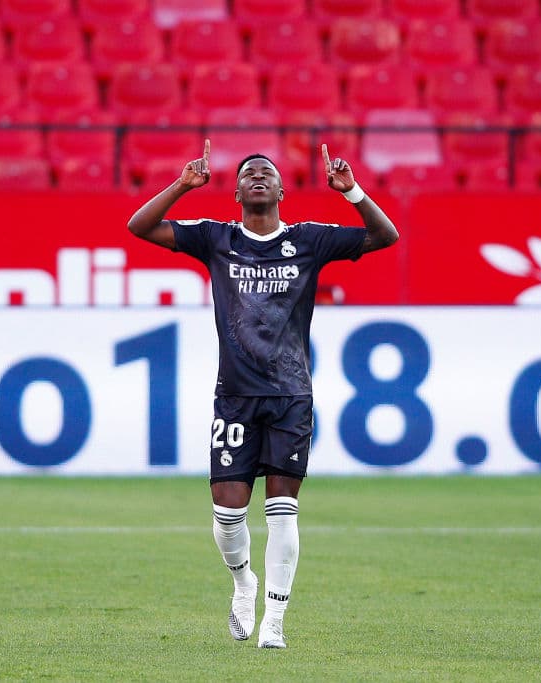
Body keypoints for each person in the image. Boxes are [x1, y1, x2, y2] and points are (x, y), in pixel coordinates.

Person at [127, 140, 399, 648]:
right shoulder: (216, 238)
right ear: (235, 193)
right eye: (248, 173)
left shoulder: (309, 240)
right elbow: (139, 227)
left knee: (281, 511)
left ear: (280, 192)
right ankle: (242, 582)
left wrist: (352, 192)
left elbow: (386, 236)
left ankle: (274, 619)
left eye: (266, 173)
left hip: (291, 396)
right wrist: (183, 185)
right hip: (235, 397)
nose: (257, 176)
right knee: (227, 516)